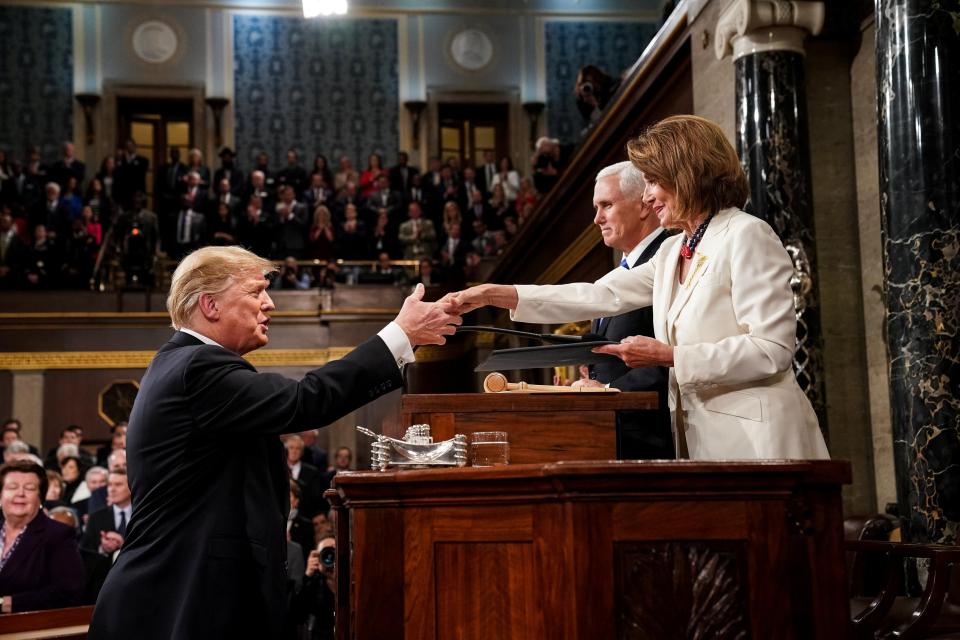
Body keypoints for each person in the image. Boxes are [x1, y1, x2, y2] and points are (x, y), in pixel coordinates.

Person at [88, 245, 460, 638]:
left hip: (186, 593)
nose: (270, 305)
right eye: (255, 292)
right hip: (184, 599)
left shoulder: (185, 364)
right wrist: (399, 335)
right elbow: (305, 401)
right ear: (210, 305)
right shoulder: (198, 367)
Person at [444, 115, 830, 461]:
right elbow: (598, 295)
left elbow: (772, 350)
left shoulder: (745, 234)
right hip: (704, 445)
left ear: (687, 173)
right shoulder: (674, 250)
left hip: (762, 444)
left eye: (653, 181)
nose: (647, 196)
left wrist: (671, 356)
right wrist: (492, 293)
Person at [573, 161, 672, 459]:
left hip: (652, 440)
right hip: (616, 433)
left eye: (606, 205)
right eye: (596, 207)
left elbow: (670, 359)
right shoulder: (618, 271)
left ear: (643, 206)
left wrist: (604, 389)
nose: (596, 218)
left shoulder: (669, 260)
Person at [0, 460, 84, 612]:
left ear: (40, 499)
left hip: (27, 628)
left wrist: (7, 603)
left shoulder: (58, 535)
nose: (20, 493)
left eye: (30, 488)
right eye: (12, 487)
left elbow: (68, 593)